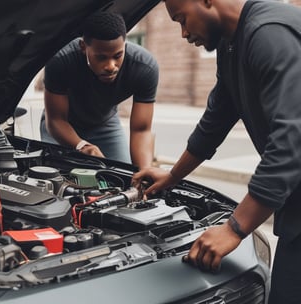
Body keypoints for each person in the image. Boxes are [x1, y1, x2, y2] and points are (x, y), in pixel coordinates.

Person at [131, 0, 301, 302]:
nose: (183, 33)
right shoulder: (231, 44)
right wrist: (171, 177)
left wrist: (234, 228)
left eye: (182, 19)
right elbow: (215, 121)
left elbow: (291, 141)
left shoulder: (268, 34)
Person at [40, 11, 159, 169]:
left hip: (105, 125)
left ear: (125, 43)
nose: (111, 66)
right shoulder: (61, 60)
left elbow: (141, 130)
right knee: (59, 178)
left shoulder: (144, 68)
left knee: (122, 176)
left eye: (118, 55)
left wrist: (144, 173)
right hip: (62, 125)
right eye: (101, 57)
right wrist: (82, 145)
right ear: (83, 47)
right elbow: (55, 120)